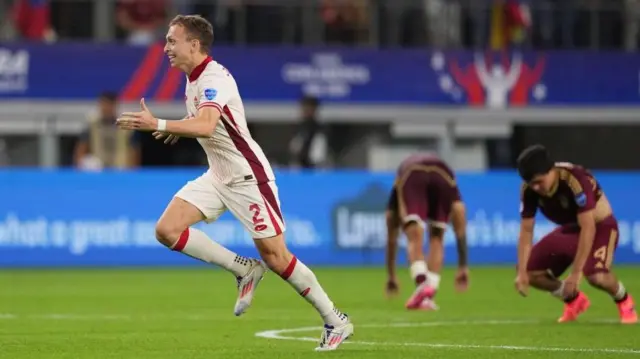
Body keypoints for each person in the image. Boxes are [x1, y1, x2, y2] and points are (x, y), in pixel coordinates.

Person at [116, 14, 353, 350]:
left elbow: (207, 124)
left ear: (194, 45)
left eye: (172, 40)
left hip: (247, 177)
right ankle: (243, 270)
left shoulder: (213, 78)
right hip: (218, 175)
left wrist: (161, 123)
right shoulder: (192, 79)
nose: (166, 47)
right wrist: (178, 126)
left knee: (276, 257)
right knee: (167, 230)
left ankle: (335, 319)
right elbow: (205, 121)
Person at [514, 144, 637, 324]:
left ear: (551, 170)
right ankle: (575, 301)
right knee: (529, 271)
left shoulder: (575, 180)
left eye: (539, 181)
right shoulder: (529, 190)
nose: (536, 187)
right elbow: (526, 230)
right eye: (532, 183)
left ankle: (624, 300)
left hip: (600, 226)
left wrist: (576, 273)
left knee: (596, 276)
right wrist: (522, 272)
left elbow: (588, 227)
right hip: (570, 229)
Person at [384, 153, 469, 310]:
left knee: (414, 236)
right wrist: (463, 266)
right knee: (437, 238)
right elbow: (460, 214)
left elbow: (391, 236)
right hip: (443, 176)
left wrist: (391, 275)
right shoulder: (448, 176)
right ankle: (427, 297)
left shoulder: (399, 184)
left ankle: (422, 284)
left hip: (412, 173)